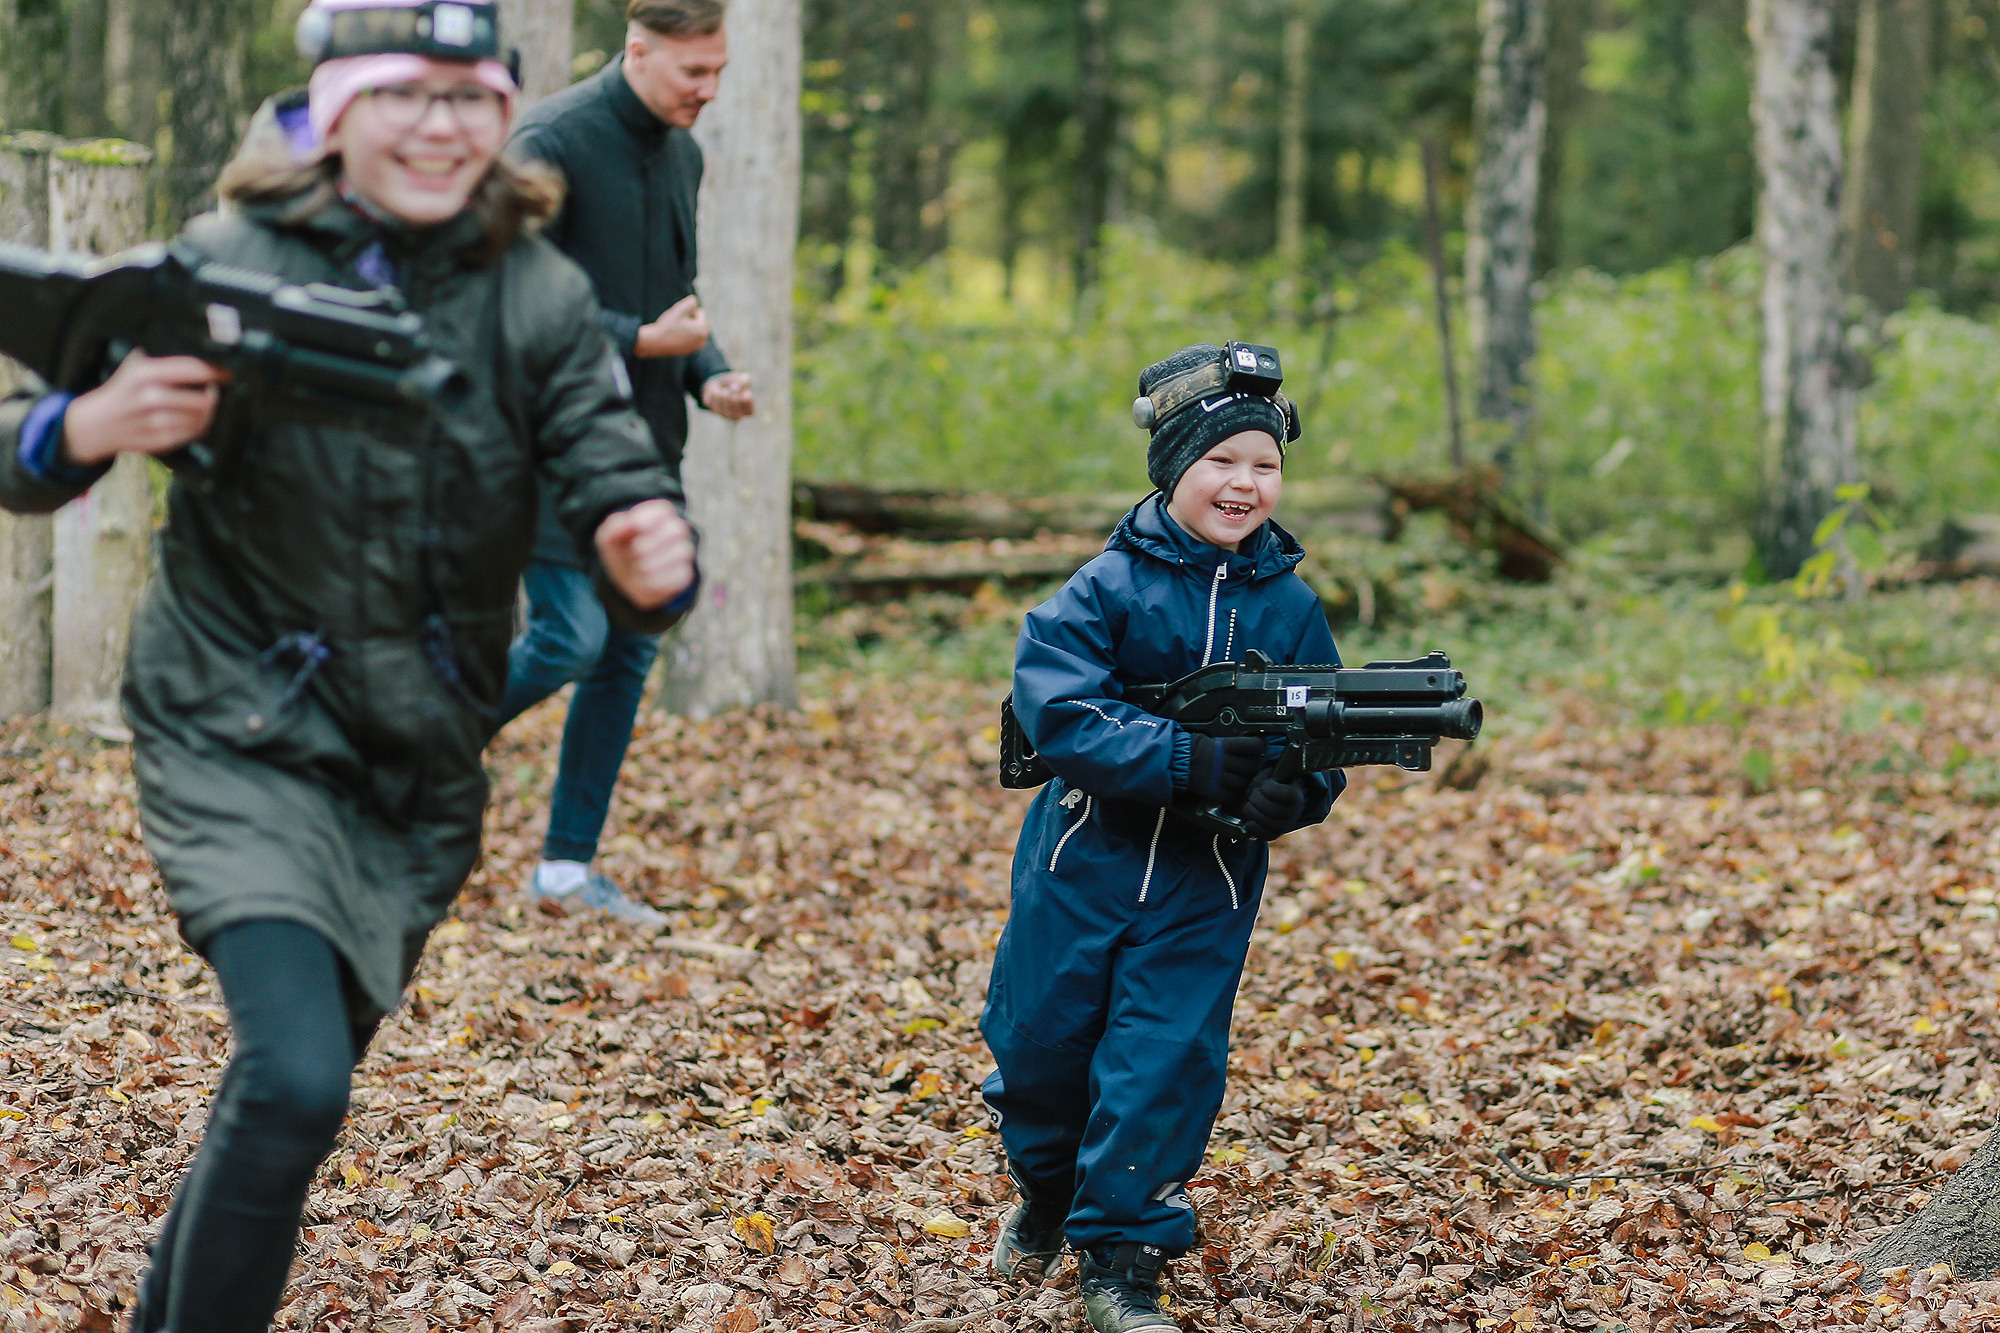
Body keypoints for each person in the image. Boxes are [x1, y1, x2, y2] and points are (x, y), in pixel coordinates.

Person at [0, 3, 698, 1328]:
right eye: (406, 96)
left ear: (503, 117)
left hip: (418, 763)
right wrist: (86, 421)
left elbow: (607, 464)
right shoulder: (223, 256)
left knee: (280, 1102)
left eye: (471, 98)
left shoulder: (536, 291)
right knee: (298, 1079)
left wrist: (643, 546)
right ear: (335, 110)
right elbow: (27, 445)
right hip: (237, 730)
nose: (442, 127)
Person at [979, 344, 1345, 1333]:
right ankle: (1048, 1194)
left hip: (1205, 880)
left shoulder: (1290, 607)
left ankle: (1123, 1260)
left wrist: (1288, 790)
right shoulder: (1103, 587)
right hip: (1080, 860)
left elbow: (1323, 741)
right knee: (1038, 1050)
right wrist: (1179, 760)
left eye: (1263, 466)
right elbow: (1057, 707)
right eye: (1221, 461)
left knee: (1162, 1062)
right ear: (1174, 467)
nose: (1243, 483)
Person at [490, 0, 754, 924]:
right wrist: (640, 340)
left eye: (718, 71)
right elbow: (505, 304)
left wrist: (709, 376)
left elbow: (674, 300)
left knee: (628, 653)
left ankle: (565, 870)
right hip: (551, 447)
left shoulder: (685, 154)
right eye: (693, 72)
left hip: (649, 452)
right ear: (637, 51)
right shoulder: (550, 141)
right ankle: (403, 749)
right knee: (568, 637)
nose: (708, 91)